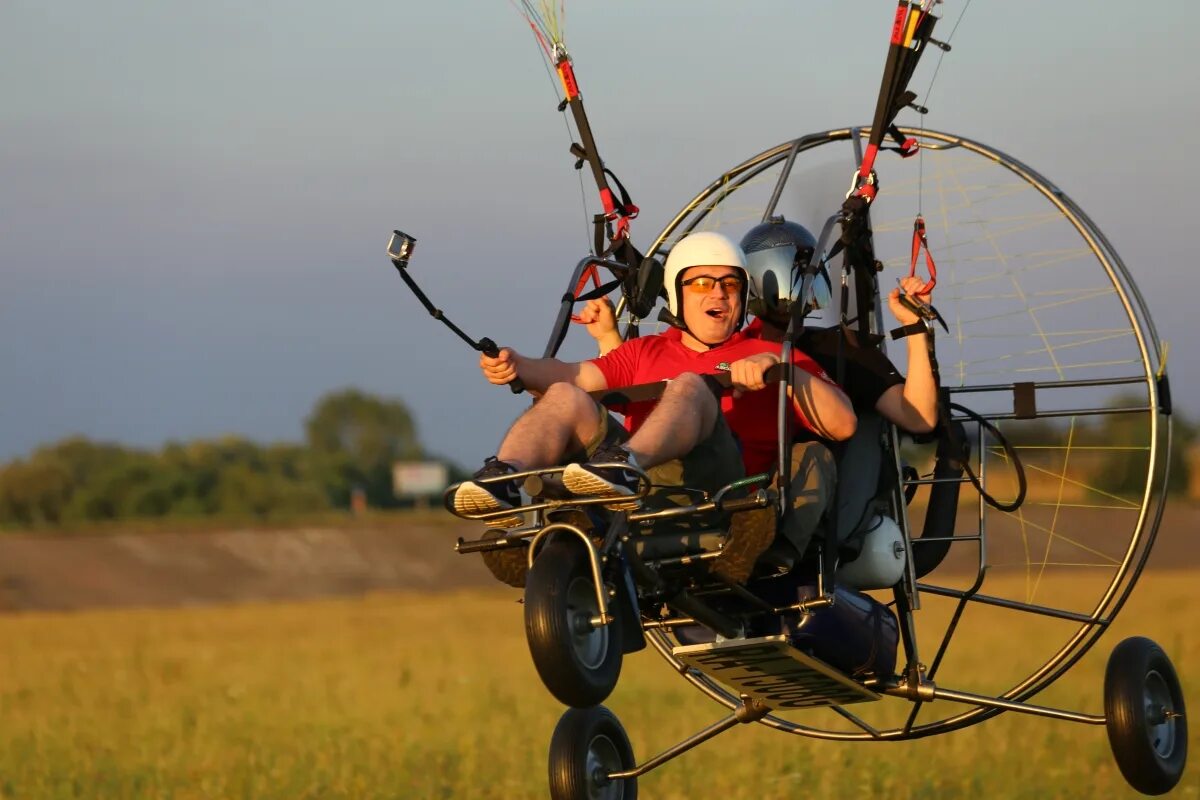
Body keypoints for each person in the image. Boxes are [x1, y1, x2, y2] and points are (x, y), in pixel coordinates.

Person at [451, 231, 856, 564]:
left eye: (730, 285)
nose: (717, 295)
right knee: (562, 394)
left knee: (690, 386)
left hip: (722, 494)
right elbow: (574, 375)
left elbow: (842, 424)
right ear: (678, 293)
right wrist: (518, 365)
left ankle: (624, 468)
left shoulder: (773, 354)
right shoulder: (645, 351)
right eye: (701, 283)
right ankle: (506, 479)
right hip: (639, 494)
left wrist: (782, 370)